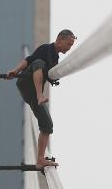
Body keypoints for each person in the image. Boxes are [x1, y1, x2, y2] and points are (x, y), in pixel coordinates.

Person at [7, 29, 76, 168]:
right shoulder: (45, 48)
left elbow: (50, 76)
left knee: (47, 125)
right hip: (26, 83)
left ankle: (40, 159)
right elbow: (28, 61)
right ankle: (40, 95)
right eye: (68, 44)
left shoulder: (55, 59)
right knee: (39, 62)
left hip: (32, 95)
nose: (69, 48)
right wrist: (15, 70)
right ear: (59, 40)